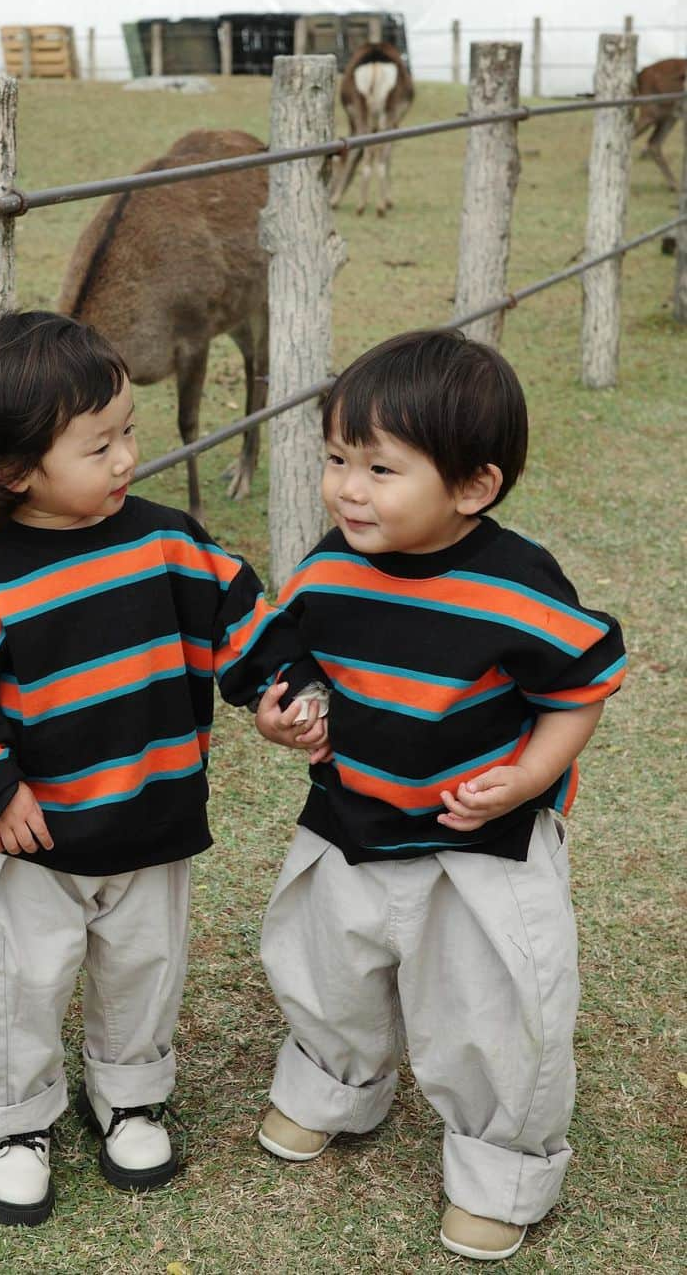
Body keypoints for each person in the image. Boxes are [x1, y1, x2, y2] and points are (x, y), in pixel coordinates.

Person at [0, 310, 326, 1227]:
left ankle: (130, 1095)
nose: (128, 456)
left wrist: (281, 690)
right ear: (14, 471)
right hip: (29, 836)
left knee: (144, 966)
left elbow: (243, 617)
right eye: (100, 445)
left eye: (128, 431)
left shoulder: (170, 541)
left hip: (149, 817)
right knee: (18, 980)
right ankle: (15, 1122)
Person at [254, 329, 625, 1261]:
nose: (347, 488)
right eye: (338, 458)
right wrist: (288, 713)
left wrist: (533, 778)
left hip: (479, 838)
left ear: (473, 487)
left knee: (491, 1008)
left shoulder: (517, 585)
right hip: (351, 818)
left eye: (382, 467)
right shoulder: (330, 563)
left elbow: (578, 690)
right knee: (321, 964)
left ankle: (502, 1168)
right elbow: (296, 660)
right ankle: (337, 1086)